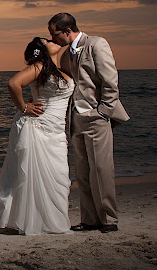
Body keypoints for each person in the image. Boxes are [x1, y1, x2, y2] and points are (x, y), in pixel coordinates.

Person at [48, 12, 129, 233]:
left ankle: (109, 219)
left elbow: (110, 81)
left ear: (67, 31)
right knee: (82, 173)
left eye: (54, 34)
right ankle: (89, 219)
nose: (53, 38)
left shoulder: (96, 44)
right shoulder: (66, 54)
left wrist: (103, 112)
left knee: (101, 170)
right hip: (76, 119)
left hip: (96, 118)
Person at [0, 37, 74, 235]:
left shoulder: (61, 69)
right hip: (37, 127)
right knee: (31, 175)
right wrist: (24, 107)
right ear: (42, 50)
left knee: (58, 174)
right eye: (47, 41)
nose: (52, 40)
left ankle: (49, 219)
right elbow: (14, 83)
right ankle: (31, 221)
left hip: (56, 129)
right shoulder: (39, 67)